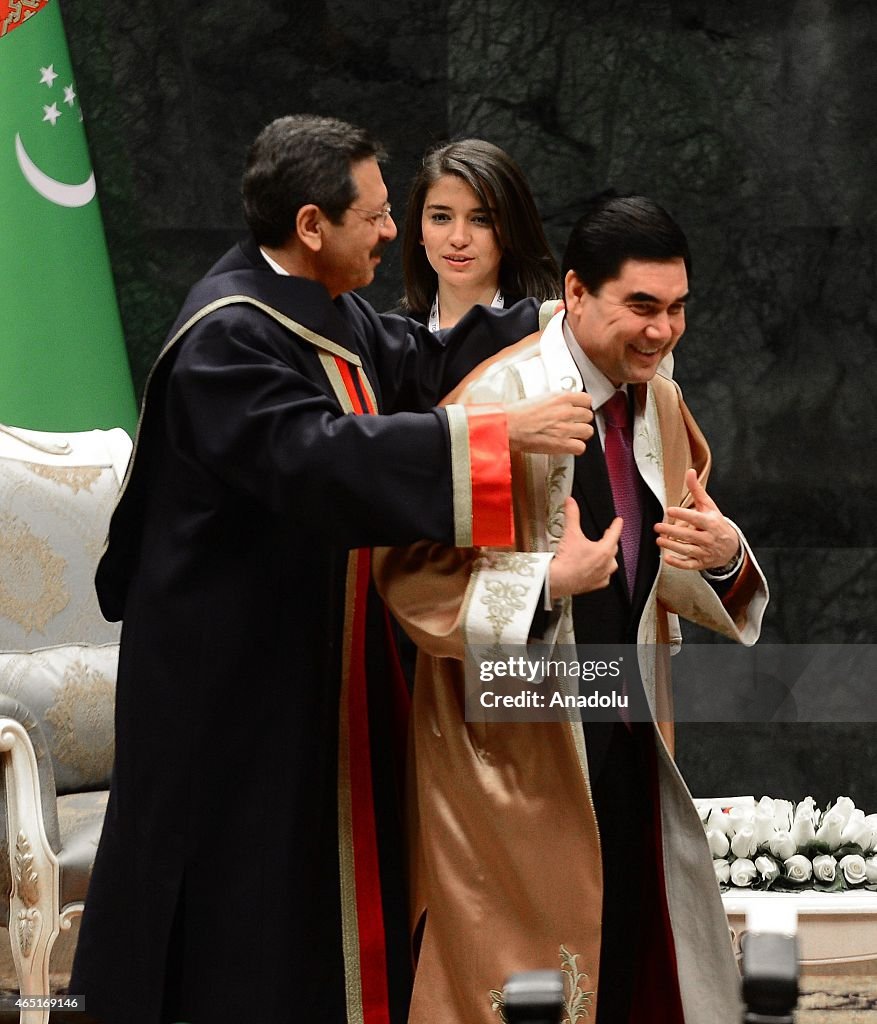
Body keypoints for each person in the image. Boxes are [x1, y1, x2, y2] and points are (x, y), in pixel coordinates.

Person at [66, 115, 594, 1024]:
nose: (396, 236)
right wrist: (495, 434)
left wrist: (562, 323)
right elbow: (314, 459)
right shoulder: (225, 337)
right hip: (225, 688)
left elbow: (426, 362)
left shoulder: (329, 306)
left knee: (309, 891)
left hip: (310, 661)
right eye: (380, 216)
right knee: (241, 903)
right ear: (312, 225)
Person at [375, 193, 769, 1024]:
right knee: (524, 980)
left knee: (627, 956)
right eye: (640, 308)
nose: (660, 333)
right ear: (576, 292)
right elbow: (410, 582)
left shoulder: (656, 395)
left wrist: (722, 553)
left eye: (675, 311)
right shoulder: (498, 400)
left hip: (626, 722)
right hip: (509, 757)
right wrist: (548, 582)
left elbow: (674, 543)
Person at [392, 138, 560, 329]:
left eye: (481, 220)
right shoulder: (386, 339)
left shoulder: (552, 329)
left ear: (511, 229)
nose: (459, 239)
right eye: (441, 217)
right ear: (419, 229)